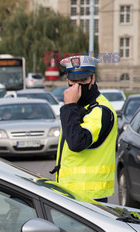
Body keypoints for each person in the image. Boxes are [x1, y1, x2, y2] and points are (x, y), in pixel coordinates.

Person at [50, 55, 117, 202]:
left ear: (92, 79)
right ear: (67, 80)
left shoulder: (100, 110)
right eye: (73, 81)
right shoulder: (80, 107)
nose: (77, 86)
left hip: (91, 198)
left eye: (83, 80)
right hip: (70, 194)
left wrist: (69, 106)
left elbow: (76, 142)